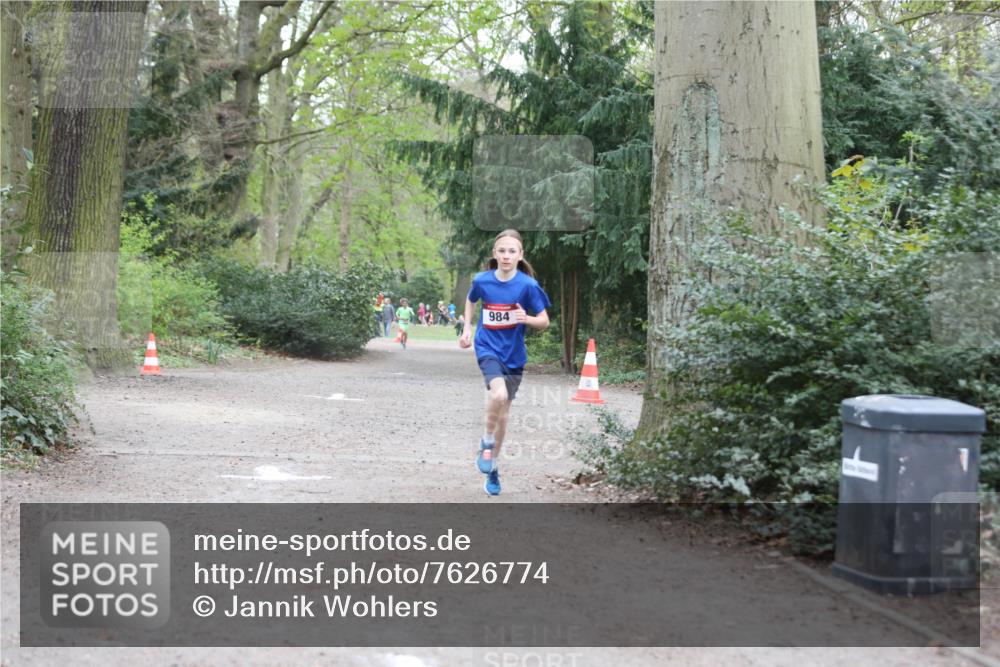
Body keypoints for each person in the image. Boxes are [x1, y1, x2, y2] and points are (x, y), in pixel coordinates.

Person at [459, 229, 550, 496]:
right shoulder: (482, 280)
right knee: (497, 393)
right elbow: (471, 300)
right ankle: (486, 440)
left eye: (512, 251)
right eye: (502, 251)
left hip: (514, 355)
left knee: (504, 413)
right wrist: (467, 328)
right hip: (487, 347)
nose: (506, 255)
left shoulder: (528, 286)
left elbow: (544, 321)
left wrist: (526, 319)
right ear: (494, 254)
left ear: (520, 255)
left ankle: (493, 468)